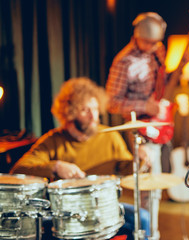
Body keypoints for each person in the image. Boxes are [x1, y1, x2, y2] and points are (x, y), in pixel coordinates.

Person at [10, 77, 150, 240]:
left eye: (96, 109)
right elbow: (18, 170)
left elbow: (127, 169)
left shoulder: (110, 136)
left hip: (104, 210)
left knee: (143, 218)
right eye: (85, 110)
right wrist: (56, 166)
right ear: (70, 112)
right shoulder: (53, 140)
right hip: (66, 214)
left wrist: (140, 159)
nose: (94, 116)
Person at [105, 12, 174, 240]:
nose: (153, 46)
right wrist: (145, 104)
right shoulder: (123, 61)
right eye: (148, 42)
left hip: (158, 121)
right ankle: (148, 235)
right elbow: (111, 102)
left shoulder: (157, 49)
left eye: (156, 42)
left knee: (157, 184)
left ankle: (152, 231)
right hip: (137, 125)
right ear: (136, 34)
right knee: (147, 186)